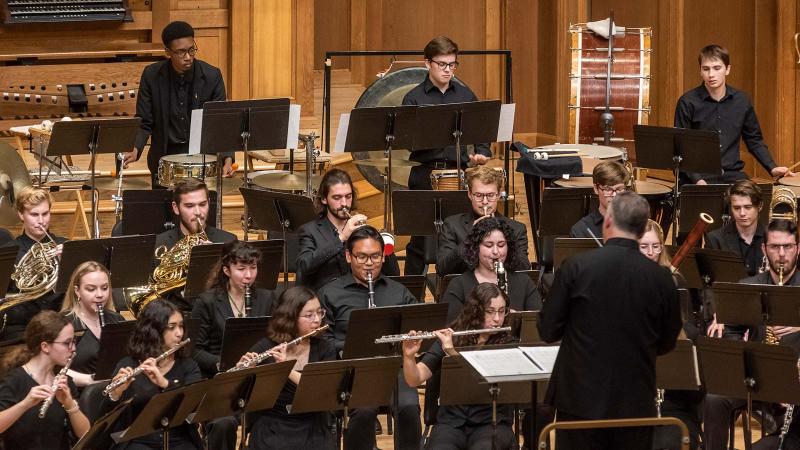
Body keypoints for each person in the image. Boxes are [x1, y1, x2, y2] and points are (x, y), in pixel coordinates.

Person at [539, 191, 682, 450]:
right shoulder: (662, 278)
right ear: (641, 230)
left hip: (580, 402)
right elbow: (667, 342)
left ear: (608, 221)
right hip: (635, 401)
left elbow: (548, 330)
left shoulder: (576, 267)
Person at [318, 225, 420, 450]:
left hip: (394, 368)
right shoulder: (330, 293)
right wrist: (352, 345)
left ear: (383, 257)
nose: (369, 263)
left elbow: (420, 324)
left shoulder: (398, 291)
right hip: (353, 370)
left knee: (409, 406)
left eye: (375, 256)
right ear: (348, 256)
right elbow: (323, 340)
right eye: (361, 256)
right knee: (363, 411)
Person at [703, 219, 800, 450]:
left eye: (788, 246)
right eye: (775, 247)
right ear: (764, 249)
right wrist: (745, 356)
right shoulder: (748, 286)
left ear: (798, 248)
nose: (782, 254)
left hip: (795, 381)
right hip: (756, 377)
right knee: (714, 399)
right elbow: (731, 330)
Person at [402, 36, 492, 275]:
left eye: (452, 64)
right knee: (420, 239)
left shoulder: (465, 94)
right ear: (427, 63)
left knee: (458, 235)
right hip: (425, 173)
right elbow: (406, 141)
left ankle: (457, 289)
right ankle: (412, 298)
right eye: (442, 64)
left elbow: (482, 127)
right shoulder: (413, 98)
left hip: (458, 173)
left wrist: (482, 153)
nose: (448, 70)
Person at [402, 282, 516, 450]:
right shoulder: (454, 335)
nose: (498, 319)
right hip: (451, 422)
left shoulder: (508, 341)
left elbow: (483, 379)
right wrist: (409, 356)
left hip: (491, 421)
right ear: (476, 311)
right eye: (490, 312)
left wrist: (452, 353)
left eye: (502, 311)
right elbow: (415, 379)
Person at [124, 20, 234, 187]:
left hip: (202, 158)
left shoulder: (212, 76)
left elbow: (220, 123)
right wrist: (136, 147)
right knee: (165, 211)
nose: (188, 57)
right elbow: (144, 120)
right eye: (181, 52)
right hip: (164, 158)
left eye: (191, 50)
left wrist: (227, 157)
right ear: (168, 52)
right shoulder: (152, 76)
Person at [674, 44, 791, 184]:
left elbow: (754, 140)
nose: (711, 74)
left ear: (727, 69)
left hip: (732, 174)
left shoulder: (742, 101)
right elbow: (681, 148)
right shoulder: (687, 102)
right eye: (706, 69)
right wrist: (697, 179)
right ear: (700, 70)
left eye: (717, 68)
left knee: (752, 200)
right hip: (697, 176)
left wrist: (772, 168)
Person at [237, 286, 336, 449]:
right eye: (309, 315)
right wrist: (247, 370)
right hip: (273, 423)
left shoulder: (324, 347)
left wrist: (286, 369)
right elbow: (239, 391)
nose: (317, 320)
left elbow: (322, 389)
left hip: (313, 423)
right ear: (291, 318)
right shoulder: (267, 346)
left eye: (320, 312)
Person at [638, 220, 703, 450]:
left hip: (675, 409)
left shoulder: (676, 280)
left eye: (656, 246)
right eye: (644, 247)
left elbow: (697, 393)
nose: (651, 253)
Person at [103, 299, 202, 449]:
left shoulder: (189, 366)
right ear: (154, 330)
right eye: (172, 327)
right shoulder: (127, 364)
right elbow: (106, 420)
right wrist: (115, 394)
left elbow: (192, 407)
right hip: (137, 442)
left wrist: (165, 383)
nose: (179, 333)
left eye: (181, 326)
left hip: (179, 440)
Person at [296, 168, 399, 291]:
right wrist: (341, 238)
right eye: (337, 198)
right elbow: (304, 266)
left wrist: (380, 243)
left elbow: (393, 274)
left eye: (348, 196)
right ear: (324, 199)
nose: (344, 203)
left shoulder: (361, 230)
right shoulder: (309, 230)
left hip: (357, 295)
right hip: (324, 299)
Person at [0, 310, 90, 449]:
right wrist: (25, 404)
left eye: (74, 341)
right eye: (67, 343)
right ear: (45, 346)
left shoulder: (64, 382)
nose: (73, 349)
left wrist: (70, 404)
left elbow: (84, 433)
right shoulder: (14, 380)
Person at [193, 241, 275, 377]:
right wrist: (225, 365)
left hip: (258, 372)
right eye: (241, 269)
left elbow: (273, 339)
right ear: (227, 271)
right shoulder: (207, 302)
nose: (248, 275)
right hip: (221, 375)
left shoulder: (267, 298)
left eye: (253, 267)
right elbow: (195, 350)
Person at [441, 217, 541, 322]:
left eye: (501, 245)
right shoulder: (458, 286)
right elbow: (452, 330)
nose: (495, 251)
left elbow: (539, 327)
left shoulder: (524, 283)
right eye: (488, 245)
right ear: (476, 248)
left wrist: (518, 320)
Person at [0, 186, 67, 344]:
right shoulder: (9, 252)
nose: (41, 221)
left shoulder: (66, 246)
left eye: (45, 213)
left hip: (59, 323)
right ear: (21, 215)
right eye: (34, 215)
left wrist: (68, 264)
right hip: (22, 328)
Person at [436, 165, 530, 276]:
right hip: (466, 290)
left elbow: (524, 269)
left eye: (490, 195)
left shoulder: (517, 228)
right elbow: (442, 269)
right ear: (470, 194)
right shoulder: (452, 224)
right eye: (479, 195)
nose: (485, 201)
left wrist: (506, 238)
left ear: (499, 195)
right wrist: (470, 238)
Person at [60, 261, 124, 387]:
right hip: (78, 396)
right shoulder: (62, 322)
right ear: (77, 291)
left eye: (104, 288)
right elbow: (53, 368)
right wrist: (90, 380)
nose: (100, 294)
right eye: (91, 289)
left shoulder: (117, 319)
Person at [155, 177, 236, 251]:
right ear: (176, 208)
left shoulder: (229, 242)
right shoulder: (159, 244)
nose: (198, 212)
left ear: (209, 202)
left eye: (202, 204)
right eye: (189, 206)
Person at [704, 179, 765, 277]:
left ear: (760, 206)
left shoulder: (773, 238)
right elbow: (708, 282)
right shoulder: (715, 239)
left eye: (748, 207)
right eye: (736, 208)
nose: (742, 213)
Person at [569, 160, 630, 239]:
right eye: (608, 189)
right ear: (596, 189)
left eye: (619, 189)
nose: (615, 195)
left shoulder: (637, 225)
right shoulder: (581, 231)